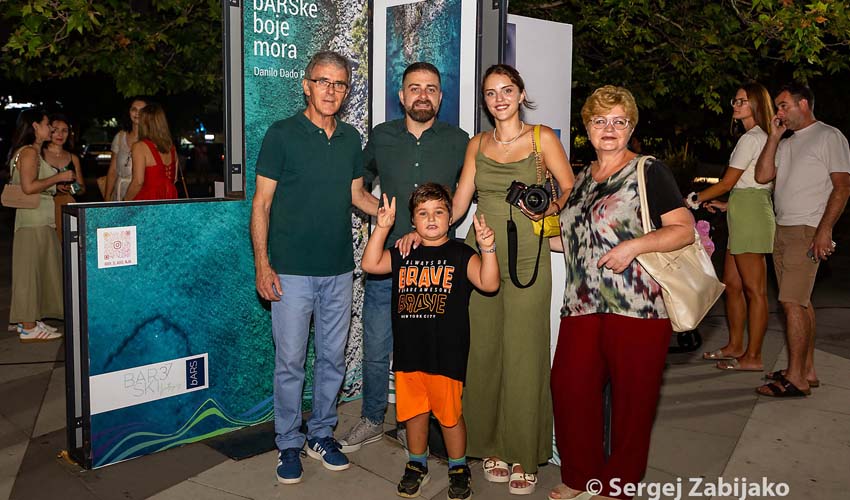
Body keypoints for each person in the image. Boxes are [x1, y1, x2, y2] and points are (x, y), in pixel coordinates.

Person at [548, 86, 695, 500]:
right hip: (581, 304)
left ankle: (618, 486)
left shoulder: (648, 171)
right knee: (569, 389)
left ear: (631, 128)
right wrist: (529, 235)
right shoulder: (580, 179)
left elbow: (683, 229)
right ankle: (581, 476)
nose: (609, 129)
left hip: (639, 308)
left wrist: (634, 247)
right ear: (587, 128)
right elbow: (573, 240)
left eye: (619, 121)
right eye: (599, 121)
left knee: (633, 403)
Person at [250, 50, 379, 485]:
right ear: (306, 85)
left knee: (332, 359)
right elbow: (261, 204)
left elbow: (357, 196)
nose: (331, 90)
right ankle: (288, 442)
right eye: (323, 81)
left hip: (338, 269)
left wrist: (389, 212)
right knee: (290, 362)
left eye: (339, 84)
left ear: (346, 91)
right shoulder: (281, 134)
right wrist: (263, 264)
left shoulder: (350, 139)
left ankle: (321, 435)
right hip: (289, 271)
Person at [448, 64, 574, 495]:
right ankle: (489, 444)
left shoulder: (543, 139)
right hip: (480, 253)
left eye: (506, 90)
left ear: (521, 94)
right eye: (490, 93)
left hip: (528, 256)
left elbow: (570, 187)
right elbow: (460, 201)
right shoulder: (477, 144)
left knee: (524, 351)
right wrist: (427, 230)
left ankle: (523, 451)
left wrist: (548, 208)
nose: (498, 99)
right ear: (485, 101)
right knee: (483, 350)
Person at [338, 61, 469, 453]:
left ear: (440, 97)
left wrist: (429, 231)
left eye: (430, 88)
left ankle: (421, 423)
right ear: (402, 96)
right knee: (378, 346)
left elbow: (463, 197)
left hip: (437, 269)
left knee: (430, 349)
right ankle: (372, 419)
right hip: (388, 262)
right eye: (415, 88)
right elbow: (356, 186)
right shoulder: (382, 136)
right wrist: (383, 215)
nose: (422, 95)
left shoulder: (459, 140)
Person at [362, 184, 499, 499]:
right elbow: (370, 264)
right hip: (409, 353)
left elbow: (489, 283)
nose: (432, 218)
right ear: (413, 221)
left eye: (439, 212)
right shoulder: (404, 251)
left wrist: (488, 248)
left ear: (451, 217)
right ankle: (416, 463)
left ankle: (458, 468)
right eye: (423, 213)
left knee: (449, 417)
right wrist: (382, 228)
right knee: (414, 414)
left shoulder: (461, 254)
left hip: (446, 356)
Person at [754, 82, 850, 398]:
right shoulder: (787, 142)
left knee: (791, 302)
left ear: (803, 104)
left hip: (807, 230)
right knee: (801, 301)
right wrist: (773, 137)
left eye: (783, 105)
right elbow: (762, 176)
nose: (779, 112)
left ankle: (796, 379)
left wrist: (825, 230)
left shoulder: (829, 136)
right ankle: (806, 370)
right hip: (782, 229)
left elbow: (842, 187)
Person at [685, 83, 775, 371]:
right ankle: (736, 345)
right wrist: (728, 204)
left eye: (742, 101)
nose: (735, 105)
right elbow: (747, 184)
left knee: (755, 290)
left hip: (750, 213)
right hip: (742, 208)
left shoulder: (753, 138)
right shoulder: (756, 137)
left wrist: (694, 199)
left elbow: (727, 182)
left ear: (756, 104)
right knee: (733, 285)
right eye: (735, 100)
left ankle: (753, 356)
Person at [7, 108, 75, 342]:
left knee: (37, 272)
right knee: (29, 274)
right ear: (35, 126)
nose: (51, 129)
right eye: (47, 125)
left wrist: (55, 186)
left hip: (38, 219)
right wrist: (58, 177)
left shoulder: (30, 151)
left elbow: (34, 184)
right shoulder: (29, 153)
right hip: (33, 221)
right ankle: (28, 326)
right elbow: (28, 187)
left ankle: (32, 321)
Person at [43, 113, 84, 242]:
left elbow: (82, 189)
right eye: (56, 130)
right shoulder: (39, 155)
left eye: (64, 130)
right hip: (44, 210)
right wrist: (54, 186)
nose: (60, 134)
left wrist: (72, 188)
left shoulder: (73, 158)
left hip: (67, 208)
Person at [124, 103, 178, 201]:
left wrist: (124, 202)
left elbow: (138, 182)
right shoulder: (172, 148)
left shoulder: (140, 147)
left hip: (148, 202)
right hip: (169, 201)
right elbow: (174, 179)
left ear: (144, 123)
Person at [105, 97, 146, 201]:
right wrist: (106, 198)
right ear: (129, 112)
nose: (137, 113)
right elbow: (112, 170)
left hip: (141, 195)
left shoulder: (150, 140)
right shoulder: (120, 137)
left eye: (142, 110)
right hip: (119, 193)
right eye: (134, 109)